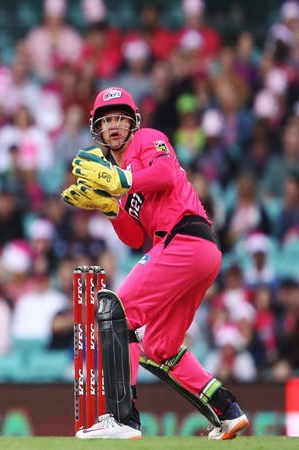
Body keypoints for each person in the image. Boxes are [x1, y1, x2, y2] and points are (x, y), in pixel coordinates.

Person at [61, 87, 249, 440]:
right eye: (106, 121)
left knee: (116, 309)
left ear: (134, 123)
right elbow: (134, 238)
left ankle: (122, 419)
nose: (114, 127)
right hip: (193, 250)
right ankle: (227, 410)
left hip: (186, 238)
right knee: (159, 347)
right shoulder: (115, 174)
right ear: (97, 130)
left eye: (120, 119)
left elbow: (164, 175)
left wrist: (124, 182)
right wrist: (111, 207)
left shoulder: (149, 139)